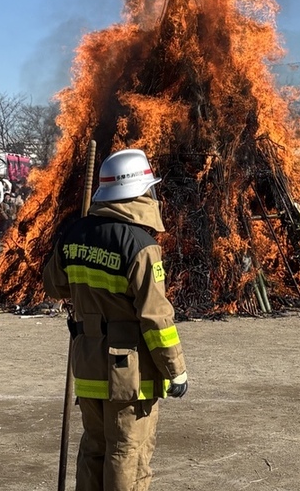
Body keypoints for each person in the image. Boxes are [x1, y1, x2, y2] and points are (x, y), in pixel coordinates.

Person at [43, 147, 188, 491]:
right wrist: (175, 370)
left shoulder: (74, 235)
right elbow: (155, 318)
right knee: (127, 453)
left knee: (95, 448)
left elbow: (54, 285)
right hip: (128, 373)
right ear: (138, 191)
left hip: (88, 362)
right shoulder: (140, 244)